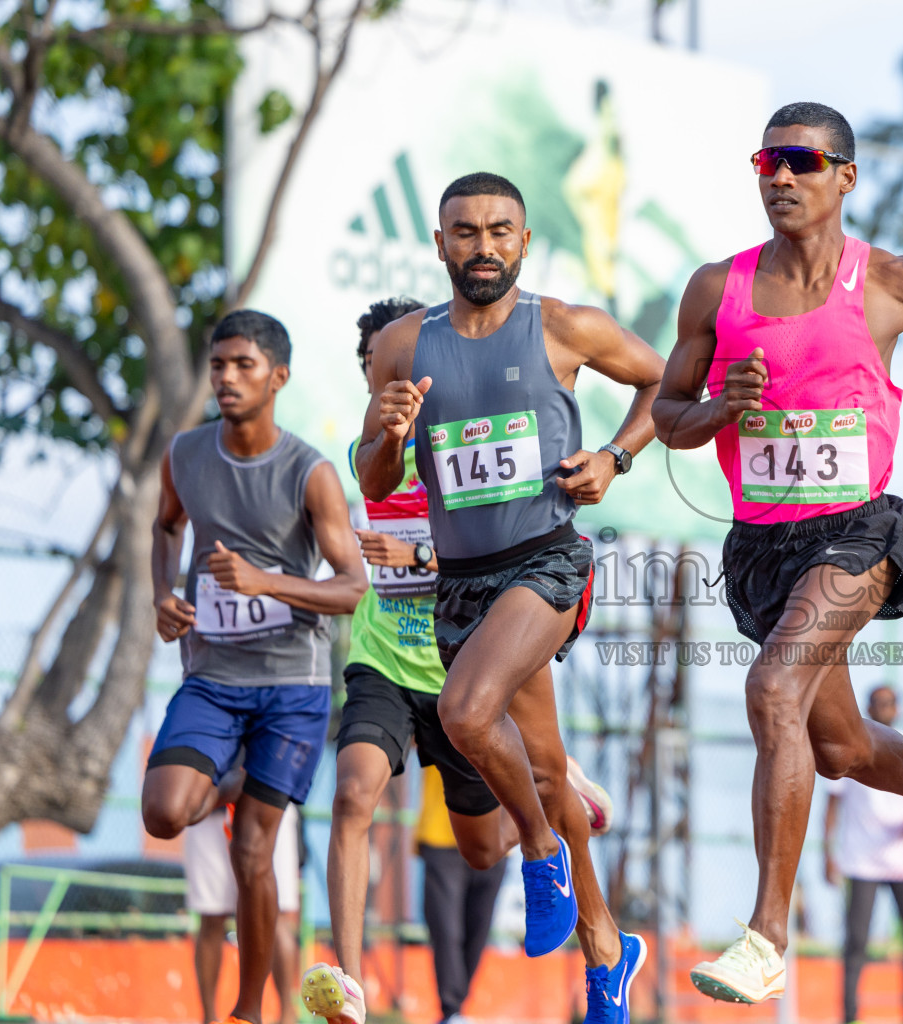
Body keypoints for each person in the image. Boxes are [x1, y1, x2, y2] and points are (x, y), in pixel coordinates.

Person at [652, 100, 903, 1006]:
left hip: (856, 529)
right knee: (839, 747)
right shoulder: (714, 289)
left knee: (772, 690)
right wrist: (722, 407)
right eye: (768, 161)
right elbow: (667, 419)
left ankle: (769, 934)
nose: (782, 177)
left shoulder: (895, 279)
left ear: (846, 175)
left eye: (803, 161)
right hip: (764, 541)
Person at [355, 173, 663, 1024]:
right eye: (465, 232)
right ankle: (607, 949)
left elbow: (661, 386)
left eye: (499, 231)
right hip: (462, 582)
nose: (483, 246)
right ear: (440, 243)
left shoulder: (563, 325)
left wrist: (615, 457)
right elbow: (375, 477)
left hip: (547, 561)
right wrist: (384, 434)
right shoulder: (403, 348)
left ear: (524, 241)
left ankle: (542, 852)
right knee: (549, 770)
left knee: (462, 710)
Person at [303, 297, 616, 1024]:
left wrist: (416, 552)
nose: (395, 377)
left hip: (463, 658)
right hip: (384, 659)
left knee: (481, 850)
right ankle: (349, 982)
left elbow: (497, 545)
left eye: (409, 363)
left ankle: (549, 797)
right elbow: (375, 483)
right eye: (376, 369)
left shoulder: (468, 438)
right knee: (352, 793)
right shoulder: (372, 446)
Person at [143, 309, 368, 1024]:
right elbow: (165, 525)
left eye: (243, 365)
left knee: (253, 851)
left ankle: (245, 1014)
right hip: (211, 675)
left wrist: (265, 581)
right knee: (163, 811)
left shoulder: (311, 472)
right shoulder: (184, 454)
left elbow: (352, 586)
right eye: (218, 365)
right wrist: (164, 595)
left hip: (291, 685)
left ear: (279, 377)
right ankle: (231, 773)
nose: (227, 378)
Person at [822, 686, 903, 1024]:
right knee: (856, 940)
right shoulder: (850, 747)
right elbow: (832, 805)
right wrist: (827, 854)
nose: (884, 708)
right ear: (867, 707)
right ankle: (850, 1016)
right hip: (861, 859)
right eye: (877, 703)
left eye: (889, 703)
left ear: (898, 709)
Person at [186, 786, 303, 1024]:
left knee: (276, 916)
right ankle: (209, 1018)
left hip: (267, 799)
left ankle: (287, 1016)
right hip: (210, 807)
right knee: (211, 915)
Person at [417, 766, 508, 1024]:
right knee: (446, 930)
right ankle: (451, 1010)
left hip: (496, 839)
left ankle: (456, 1009)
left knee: (478, 932)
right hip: (442, 837)